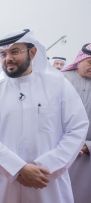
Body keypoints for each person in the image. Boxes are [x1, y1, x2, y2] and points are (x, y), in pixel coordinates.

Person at [0, 29, 89, 203]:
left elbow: (77, 127)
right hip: (5, 181)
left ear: (33, 52)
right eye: (3, 53)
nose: (8, 58)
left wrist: (44, 166)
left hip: (47, 180)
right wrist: (18, 167)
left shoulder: (58, 85)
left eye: (15, 51)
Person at [62, 43, 91, 203]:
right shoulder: (61, 80)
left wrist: (87, 145)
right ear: (80, 59)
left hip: (87, 157)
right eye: (90, 62)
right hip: (60, 152)